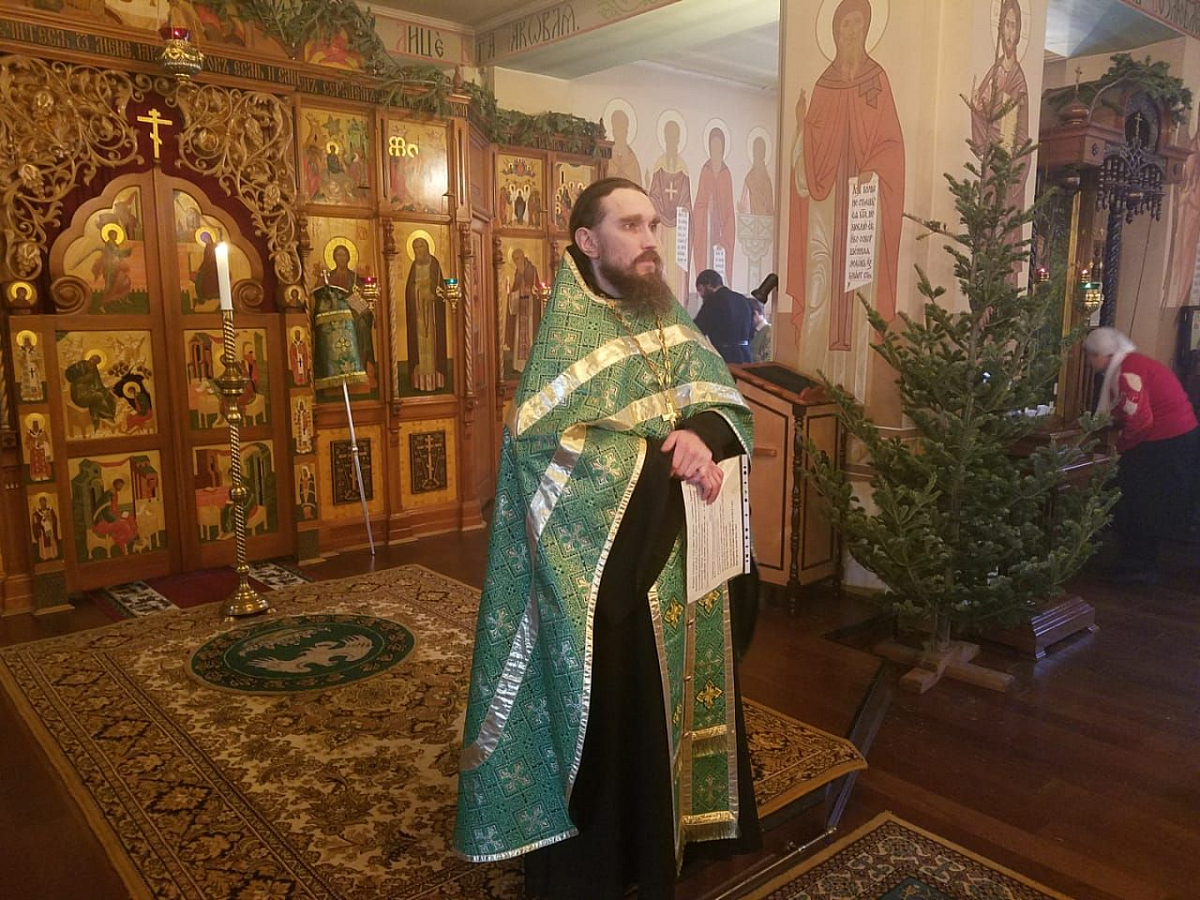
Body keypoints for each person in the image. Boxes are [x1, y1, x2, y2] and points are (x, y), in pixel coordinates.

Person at [455, 177, 761, 899]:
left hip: (682, 556)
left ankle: (678, 838)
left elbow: (721, 397)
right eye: (630, 226)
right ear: (587, 242)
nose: (649, 240)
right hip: (605, 573)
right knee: (618, 716)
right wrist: (664, 463)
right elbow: (542, 447)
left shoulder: (667, 317)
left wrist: (703, 435)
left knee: (676, 704)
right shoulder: (569, 334)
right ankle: (610, 862)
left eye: (653, 224)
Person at [1084, 327, 1199, 582]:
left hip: (1164, 444)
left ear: (1102, 354)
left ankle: (1138, 565)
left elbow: (1139, 421)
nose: (1090, 363)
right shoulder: (1133, 363)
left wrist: (1120, 449)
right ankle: (1138, 561)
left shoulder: (1128, 371)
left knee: (1137, 502)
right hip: (1173, 440)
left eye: (1091, 356)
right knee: (1142, 502)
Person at [693, 269, 754, 364]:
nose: (701, 295)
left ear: (708, 284)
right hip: (746, 356)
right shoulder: (743, 300)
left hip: (725, 357)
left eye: (700, 290)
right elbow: (751, 332)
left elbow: (697, 330)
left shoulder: (712, 302)